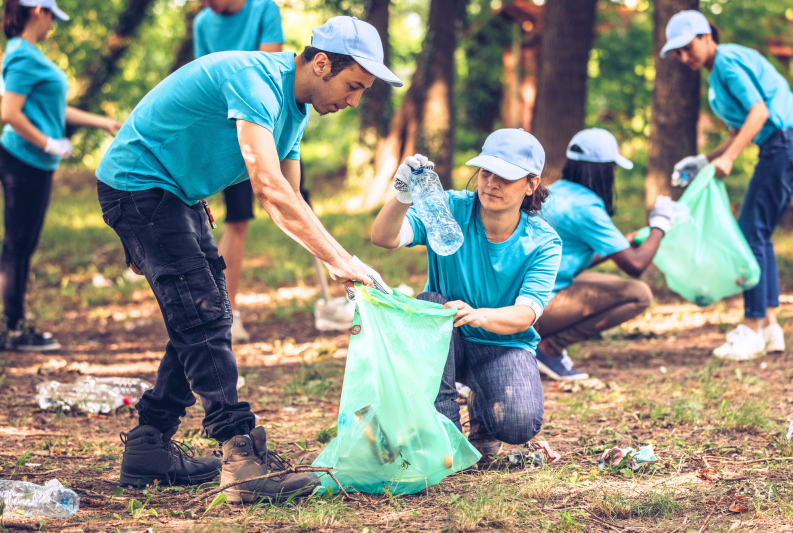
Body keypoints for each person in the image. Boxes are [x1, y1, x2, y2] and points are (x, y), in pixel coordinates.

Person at [96, 16, 402, 501]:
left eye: (362, 90)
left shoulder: (295, 111)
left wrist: (340, 261)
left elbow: (291, 198)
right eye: (353, 86)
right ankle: (241, 459)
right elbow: (266, 186)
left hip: (178, 194)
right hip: (139, 185)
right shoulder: (256, 80)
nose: (353, 100)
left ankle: (148, 445)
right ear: (321, 63)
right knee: (202, 315)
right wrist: (341, 261)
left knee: (202, 311)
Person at [371, 129, 561, 457]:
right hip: (446, 338)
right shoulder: (447, 209)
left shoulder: (543, 242)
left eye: (506, 176)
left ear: (531, 183)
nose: (491, 183)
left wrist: (479, 315)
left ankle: (482, 410)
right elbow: (384, 237)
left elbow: (525, 315)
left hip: (502, 346)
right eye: (486, 172)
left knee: (519, 423)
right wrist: (402, 196)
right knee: (430, 303)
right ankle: (444, 431)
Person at [662, 10, 793, 360]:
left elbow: (760, 114)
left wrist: (730, 158)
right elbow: (741, 131)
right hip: (780, 144)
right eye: (678, 52)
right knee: (759, 234)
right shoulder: (718, 76)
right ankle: (769, 326)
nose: (684, 57)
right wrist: (706, 159)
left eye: (688, 47)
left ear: (707, 37)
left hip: (782, 143)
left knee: (749, 234)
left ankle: (749, 329)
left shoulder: (727, 62)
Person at [0, 0, 121, 351]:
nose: (53, 25)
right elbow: (10, 112)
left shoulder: (28, 53)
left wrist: (103, 122)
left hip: (34, 164)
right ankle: (15, 332)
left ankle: (16, 327)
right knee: (18, 244)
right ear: (38, 10)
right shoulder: (22, 55)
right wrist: (49, 143)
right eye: (52, 16)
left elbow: (54, 107)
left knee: (24, 245)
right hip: (23, 161)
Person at [535, 129, 674, 381]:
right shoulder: (587, 207)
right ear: (603, 170)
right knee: (639, 294)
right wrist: (660, 226)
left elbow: (570, 256)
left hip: (524, 296)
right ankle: (549, 347)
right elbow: (636, 264)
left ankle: (543, 347)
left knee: (606, 285)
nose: (614, 174)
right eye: (613, 167)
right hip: (537, 306)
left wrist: (623, 243)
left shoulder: (555, 192)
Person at [194, 0, 284, 343]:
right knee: (205, 213)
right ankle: (216, 311)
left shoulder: (264, 10)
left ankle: (226, 311)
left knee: (240, 218)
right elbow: (203, 74)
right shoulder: (203, 22)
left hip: (256, 123)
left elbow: (269, 66)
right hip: (216, 125)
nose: (205, 3)